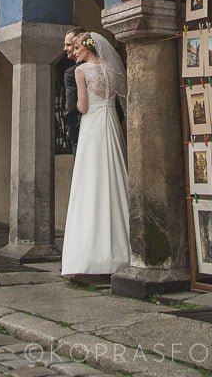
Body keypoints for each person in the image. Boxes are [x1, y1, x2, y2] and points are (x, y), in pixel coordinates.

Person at [61, 32, 130, 277]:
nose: (75, 52)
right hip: (110, 122)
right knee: (113, 177)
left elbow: (82, 106)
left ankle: (90, 254)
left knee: (90, 181)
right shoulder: (112, 69)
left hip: (92, 126)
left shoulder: (81, 72)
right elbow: (119, 99)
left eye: (77, 47)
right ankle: (123, 250)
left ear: (88, 48)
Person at [62, 27, 85, 155]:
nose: (64, 48)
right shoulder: (103, 68)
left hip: (81, 132)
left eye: (68, 45)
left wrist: (71, 134)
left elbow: (70, 109)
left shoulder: (72, 73)